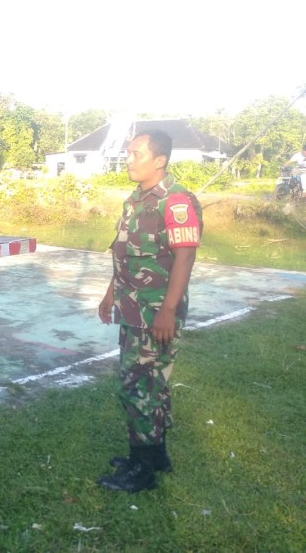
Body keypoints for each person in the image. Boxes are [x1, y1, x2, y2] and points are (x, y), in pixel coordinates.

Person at [97, 130, 203, 493]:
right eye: (128, 153)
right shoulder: (136, 200)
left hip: (155, 313)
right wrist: (110, 294)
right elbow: (125, 254)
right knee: (151, 383)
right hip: (132, 308)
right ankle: (156, 455)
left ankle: (141, 470)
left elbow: (185, 257)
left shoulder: (175, 201)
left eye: (136, 154)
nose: (128, 159)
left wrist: (168, 310)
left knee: (138, 385)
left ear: (160, 160)